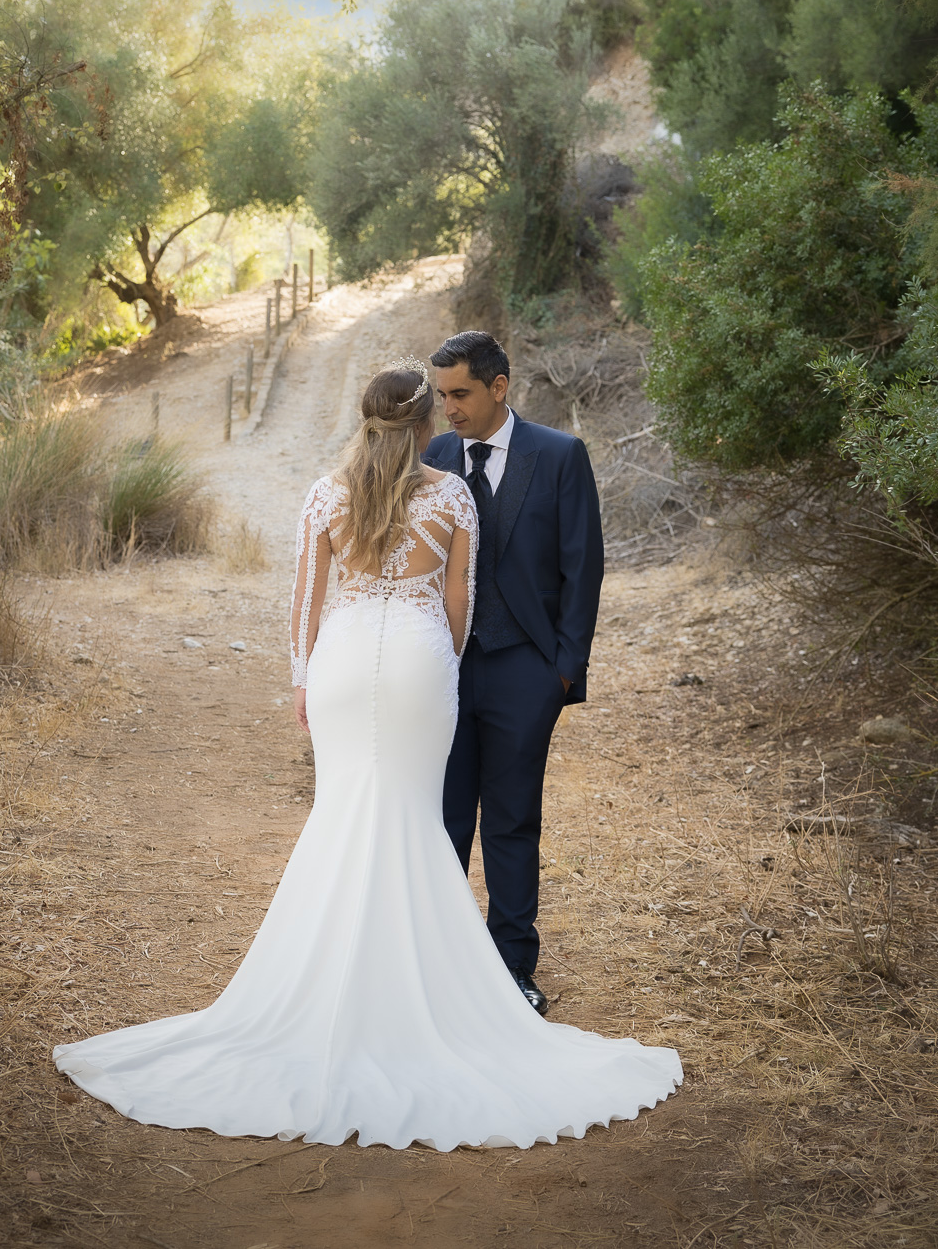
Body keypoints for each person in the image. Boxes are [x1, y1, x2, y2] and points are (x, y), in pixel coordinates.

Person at [53, 360, 680, 1149]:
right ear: (424, 427)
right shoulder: (449, 495)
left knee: (342, 817)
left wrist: (303, 682)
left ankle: (331, 993)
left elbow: (304, 603)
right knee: (416, 820)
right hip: (421, 667)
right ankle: (425, 994)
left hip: (344, 666)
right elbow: (460, 608)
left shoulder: (324, 493)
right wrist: (438, 669)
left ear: (364, 420)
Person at [424, 331, 603, 1016]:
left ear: (499, 386)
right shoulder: (436, 456)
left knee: (511, 820)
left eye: (460, 393)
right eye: (441, 395)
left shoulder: (559, 456)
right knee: (439, 819)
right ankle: (436, 964)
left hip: (527, 672)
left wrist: (562, 671)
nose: (449, 409)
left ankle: (510, 972)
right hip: (442, 673)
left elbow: (583, 568)